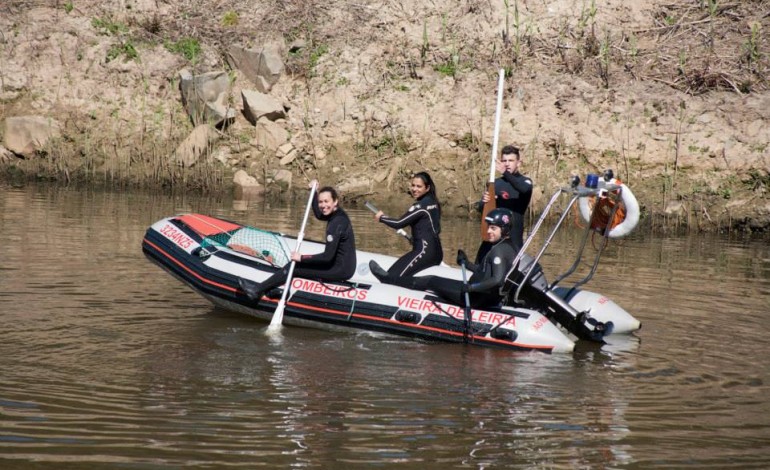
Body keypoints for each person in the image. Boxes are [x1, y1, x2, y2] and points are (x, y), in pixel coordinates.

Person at [370, 208, 517, 309]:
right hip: (482, 294)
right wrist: (466, 263)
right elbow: (486, 272)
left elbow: (497, 280)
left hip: (476, 297)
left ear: (503, 230)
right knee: (436, 280)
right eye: (488, 227)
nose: (488, 231)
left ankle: (388, 279)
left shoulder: (498, 251)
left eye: (493, 228)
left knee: (431, 280)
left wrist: (471, 288)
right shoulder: (507, 246)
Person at [239, 181, 356, 300]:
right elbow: (319, 214)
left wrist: (302, 258)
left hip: (340, 269)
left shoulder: (336, 224)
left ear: (335, 201)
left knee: (295, 267)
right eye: (321, 201)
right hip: (341, 265)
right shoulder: (338, 214)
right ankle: (274, 288)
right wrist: (313, 192)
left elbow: (327, 257)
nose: (323, 205)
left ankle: (257, 290)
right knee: (299, 264)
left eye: (326, 201)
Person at [370, 172, 443, 282]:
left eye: (419, 186)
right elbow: (435, 229)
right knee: (394, 274)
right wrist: (416, 239)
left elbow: (399, 223)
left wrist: (382, 218)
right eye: (413, 185)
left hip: (424, 252)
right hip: (437, 252)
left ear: (427, 188)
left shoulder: (420, 206)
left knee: (390, 277)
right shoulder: (434, 202)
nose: (414, 189)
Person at [477, 144, 533, 261]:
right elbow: (481, 210)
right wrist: (484, 202)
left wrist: (505, 173)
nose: (507, 164)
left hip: (512, 239)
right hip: (492, 238)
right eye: (504, 161)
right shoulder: (496, 183)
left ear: (518, 162)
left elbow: (524, 189)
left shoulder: (525, 182)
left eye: (511, 160)